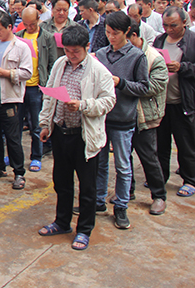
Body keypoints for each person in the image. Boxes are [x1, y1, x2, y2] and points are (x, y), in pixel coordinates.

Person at [38, 24, 116, 251]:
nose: (71, 55)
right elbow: (50, 96)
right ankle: (62, 222)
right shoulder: (60, 65)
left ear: (87, 47)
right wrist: (45, 124)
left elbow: (108, 101)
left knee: (87, 187)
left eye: (76, 51)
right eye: (67, 51)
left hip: (84, 135)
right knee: (62, 182)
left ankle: (84, 229)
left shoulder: (99, 71)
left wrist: (83, 105)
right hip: (61, 132)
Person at [94, 11, 149, 230]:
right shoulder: (101, 54)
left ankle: (121, 206)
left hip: (123, 118)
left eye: (115, 33)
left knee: (123, 166)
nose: (111, 37)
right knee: (99, 163)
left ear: (127, 32)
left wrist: (121, 83)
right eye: (108, 32)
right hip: (102, 117)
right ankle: (98, 200)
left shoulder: (137, 57)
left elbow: (144, 87)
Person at [0, 10, 33, 190]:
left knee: (13, 138)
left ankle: (19, 172)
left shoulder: (21, 46)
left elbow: (27, 72)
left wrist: (4, 73)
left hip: (9, 98)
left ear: (10, 27)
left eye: (0, 29)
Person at [153, 7, 195, 198]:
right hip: (163, 101)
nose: (169, 29)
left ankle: (190, 179)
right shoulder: (160, 40)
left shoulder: (192, 41)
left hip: (183, 101)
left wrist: (182, 67)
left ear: (184, 23)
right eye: (166, 25)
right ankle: (160, 176)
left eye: (174, 25)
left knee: (185, 143)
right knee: (161, 143)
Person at [127, 22, 168, 215]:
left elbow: (155, 86)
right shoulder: (120, 54)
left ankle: (159, 195)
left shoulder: (154, 57)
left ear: (134, 36)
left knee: (148, 157)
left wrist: (124, 85)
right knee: (123, 158)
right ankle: (127, 191)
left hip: (144, 115)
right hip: (124, 115)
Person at [15, 7, 57, 169]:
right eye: (26, 24)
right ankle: (15, 155)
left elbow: (52, 63)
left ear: (38, 20)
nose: (29, 27)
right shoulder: (19, 36)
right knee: (16, 124)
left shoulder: (47, 37)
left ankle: (36, 155)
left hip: (37, 87)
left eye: (32, 24)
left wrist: (47, 86)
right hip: (20, 86)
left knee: (36, 124)